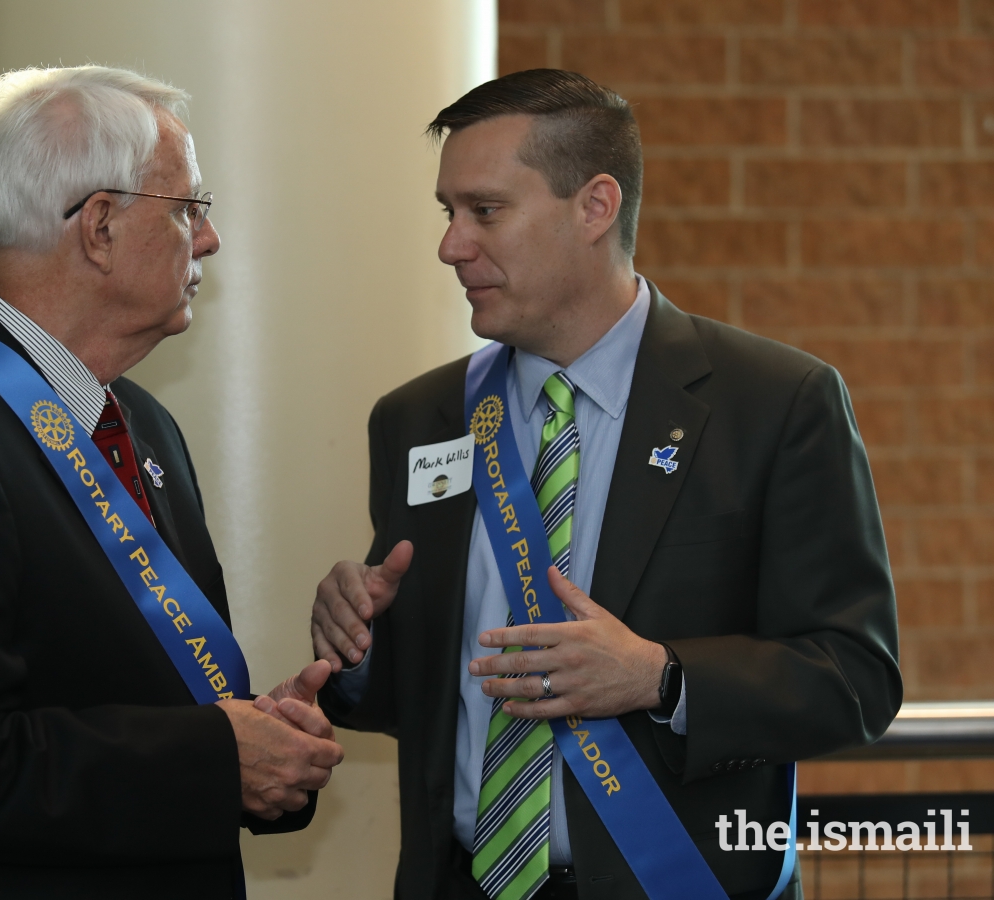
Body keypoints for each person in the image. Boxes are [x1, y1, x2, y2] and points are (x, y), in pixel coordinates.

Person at [311, 69, 900, 900]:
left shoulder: (773, 404)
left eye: (485, 211)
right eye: (449, 214)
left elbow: (855, 677)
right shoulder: (419, 419)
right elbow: (426, 698)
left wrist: (664, 678)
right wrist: (357, 647)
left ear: (595, 207)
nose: (451, 245)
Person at [0, 65, 342, 898]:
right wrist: (211, 756)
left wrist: (255, 742)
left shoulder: (142, 422)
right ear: (99, 226)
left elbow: (130, 691)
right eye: (188, 211)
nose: (208, 240)